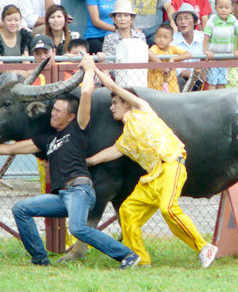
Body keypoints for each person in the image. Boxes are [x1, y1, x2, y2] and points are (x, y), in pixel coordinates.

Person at [0, 55, 141, 268]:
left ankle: (127, 256)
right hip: (63, 195)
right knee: (20, 209)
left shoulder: (78, 129)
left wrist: (88, 69)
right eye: (53, 109)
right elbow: (10, 148)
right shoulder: (46, 139)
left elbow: (86, 92)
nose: (53, 113)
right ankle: (40, 259)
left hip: (80, 191)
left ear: (70, 117)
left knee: (77, 228)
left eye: (58, 111)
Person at [86, 66, 218, 268]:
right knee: (128, 211)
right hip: (153, 177)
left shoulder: (142, 109)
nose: (111, 107)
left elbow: (112, 85)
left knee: (168, 209)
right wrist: (87, 161)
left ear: (127, 103)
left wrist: (93, 68)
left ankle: (204, 247)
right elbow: (109, 153)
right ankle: (141, 260)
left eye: (114, 103)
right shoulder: (126, 137)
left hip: (172, 164)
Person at [203, 0, 238, 89]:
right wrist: (205, 50)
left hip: (225, 56)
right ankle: (212, 102)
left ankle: (220, 102)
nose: (224, 10)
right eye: (221, 7)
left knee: (221, 83)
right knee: (212, 83)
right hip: (214, 57)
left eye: (226, 7)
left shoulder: (233, 20)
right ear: (215, 8)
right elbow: (206, 36)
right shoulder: (212, 20)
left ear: (231, 8)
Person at [148, 24, 192, 93]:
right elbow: (149, 53)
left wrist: (173, 59)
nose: (161, 39)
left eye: (166, 37)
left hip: (171, 86)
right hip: (155, 86)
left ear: (171, 40)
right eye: (159, 36)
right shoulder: (155, 48)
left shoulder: (172, 48)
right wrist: (162, 65)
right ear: (155, 38)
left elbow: (189, 54)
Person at [172, 3, 205, 91]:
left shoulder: (203, 38)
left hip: (201, 78)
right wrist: (187, 73)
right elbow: (173, 65)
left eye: (187, 18)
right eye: (179, 19)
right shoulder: (172, 40)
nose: (183, 22)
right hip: (180, 79)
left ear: (194, 21)